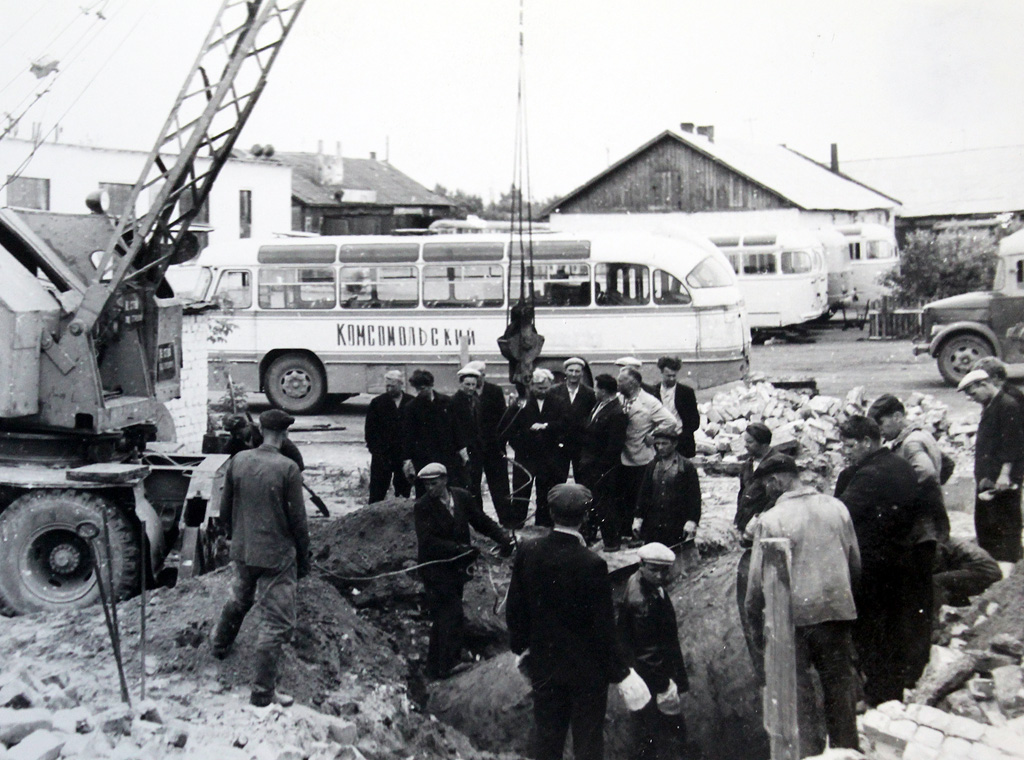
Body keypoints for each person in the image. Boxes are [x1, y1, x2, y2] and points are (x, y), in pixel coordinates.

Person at [507, 483, 647, 760]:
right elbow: (603, 628)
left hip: (544, 663)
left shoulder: (528, 551)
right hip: (587, 672)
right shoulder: (591, 563)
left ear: (549, 512)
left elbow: (515, 607)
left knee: (548, 738)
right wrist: (621, 673)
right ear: (585, 517)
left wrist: (521, 648)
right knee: (587, 741)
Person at [746, 455, 861, 756]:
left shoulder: (771, 519)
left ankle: (810, 755)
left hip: (794, 621)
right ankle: (847, 752)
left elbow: (757, 584)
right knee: (840, 695)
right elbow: (855, 564)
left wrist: (756, 626)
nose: (767, 490)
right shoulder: (837, 507)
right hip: (836, 614)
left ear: (777, 481)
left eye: (767, 484)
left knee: (800, 701)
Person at [211, 409, 310, 707]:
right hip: (276, 556)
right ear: (284, 434)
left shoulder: (239, 460)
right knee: (276, 623)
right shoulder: (288, 468)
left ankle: (219, 645)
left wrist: (234, 536)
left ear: (261, 429)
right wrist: (304, 557)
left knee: (239, 599)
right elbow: (299, 522)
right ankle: (263, 692)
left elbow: (225, 509)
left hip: (243, 550)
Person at [835, 415, 919, 706]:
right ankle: (892, 695)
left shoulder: (868, 475)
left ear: (867, 442)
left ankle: (878, 697)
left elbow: (841, 514)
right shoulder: (901, 464)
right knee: (894, 631)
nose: (844, 451)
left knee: (873, 634)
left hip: (874, 568)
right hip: (901, 561)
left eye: (848, 446)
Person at [867, 393, 950, 686]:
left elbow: (926, 473)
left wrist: (904, 501)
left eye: (882, 422)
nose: (881, 429)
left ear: (898, 416)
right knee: (920, 600)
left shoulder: (910, 443)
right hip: (928, 527)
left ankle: (914, 668)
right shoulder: (922, 436)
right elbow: (946, 466)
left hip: (919, 533)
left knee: (915, 603)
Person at [413, 463, 514, 679]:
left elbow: (481, 521)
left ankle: (434, 667)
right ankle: (449, 664)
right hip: (434, 569)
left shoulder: (462, 497)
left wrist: (502, 537)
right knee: (451, 613)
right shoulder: (422, 506)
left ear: (445, 480)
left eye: (434, 483)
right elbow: (428, 541)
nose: (430, 488)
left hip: (456, 569)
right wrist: (460, 549)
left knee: (443, 616)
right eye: (426, 485)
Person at [617, 542, 690, 760]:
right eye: (654, 569)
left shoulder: (641, 582)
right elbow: (648, 653)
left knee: (647, 727)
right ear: (642, 565)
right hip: (650, 676)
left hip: (643, 672)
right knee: (663, 729)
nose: (660, 575)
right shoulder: (642, 602)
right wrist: (664, 685)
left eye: (664, 570)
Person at [734, 422, 788, 668]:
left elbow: (778, 497)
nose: (745, 446)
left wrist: (758, 520)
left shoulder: (776, 463)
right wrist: (739, 520)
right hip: (749, 526)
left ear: (764, 443)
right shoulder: (748, 463)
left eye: (750, 442)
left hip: (765, 527)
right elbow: (743, 493)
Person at [959, 368, 1024, 562]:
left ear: (985, 384)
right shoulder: (991, 404)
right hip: (988, 477)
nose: (972, 398)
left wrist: (1005, 474)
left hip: (1000, 479)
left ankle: (1007, 561)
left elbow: (1012, 443)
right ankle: (992, 561)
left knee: (1004, 521)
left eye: (973, 393)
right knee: (987, 522)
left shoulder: (1007, 405)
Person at [615, 367, 678, 549]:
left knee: (640, 497)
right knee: (625, 496)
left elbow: (670, 422)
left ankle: (640, 534)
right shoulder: (620, 399)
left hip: (641, 457)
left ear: (633, 383)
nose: (618, 384)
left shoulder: (649, 402)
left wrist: (654, 435)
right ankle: (626, 531)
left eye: (621, 381)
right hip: (622, 455)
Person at [501, 368, 569, 527]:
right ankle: (517, 523)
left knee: (544, 491)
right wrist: (519, 445)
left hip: (548, 455)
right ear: (531, 386)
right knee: (521, 489)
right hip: (525, 455)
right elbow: (509, 429)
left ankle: (543, 523)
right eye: (539, 388)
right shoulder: (520, 403)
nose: (543, 391)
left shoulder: (559, 402)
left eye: (546, 388)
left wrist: (546, 426)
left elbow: (565, 424)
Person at [578, 374, 629, 546]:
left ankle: (611, 541)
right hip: (591, 464)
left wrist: (601, 468)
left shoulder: (616, 412)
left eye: (597, 387)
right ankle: (591, 536)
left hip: (602, 468)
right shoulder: (600, 405)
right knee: (593, 503)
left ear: (604, 390)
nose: (594, 391)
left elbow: (614, 446)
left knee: (605, 504)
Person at [633, 426, 701, 548]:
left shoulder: (686, 467)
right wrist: (638, 518)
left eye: (664, 444)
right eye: (657, 444)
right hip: (654, 524)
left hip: (676, 524)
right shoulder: (652, 466)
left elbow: (694, 497)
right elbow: (644, 493)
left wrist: (692, 520)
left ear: (674, 444)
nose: (660, 447)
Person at [402, 369, 466, 496]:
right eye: (417, 389)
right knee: (425, 493)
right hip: (423, 458)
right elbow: (407, 435)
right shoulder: (411, 407)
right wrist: (407, 460)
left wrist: (462, 450)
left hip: (447, 456)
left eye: (422, 388)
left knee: (448, 490)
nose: (419, 392)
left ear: (431, 385)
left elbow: (456, 428)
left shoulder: (447, 402)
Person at [465, 360, 513, 526]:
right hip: (473, 449)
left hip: (494, 447)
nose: (476, 380)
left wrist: (501, 443)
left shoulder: (494, 391)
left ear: (484, 375)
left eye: (479, 376)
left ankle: (506, 522)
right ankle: (478, 522)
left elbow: (504, 419)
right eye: (471, 376)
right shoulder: (465, 393)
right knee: (473, 486)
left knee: (499, 486)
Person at [364, 371, 413, 503]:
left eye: (392, 386)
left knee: (403, 493)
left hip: (403, 456)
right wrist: (376, 451)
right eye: (387, 386)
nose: (389, 389)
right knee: (376, 492)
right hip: (382, 455)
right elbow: (370, 431)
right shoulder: (377, 403)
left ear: (401, 384)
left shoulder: (411, 402)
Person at [550, 357, 597, 483]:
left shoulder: (589, 393)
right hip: (559, 443)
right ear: (565, 372)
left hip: (580, 444)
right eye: (571, 371)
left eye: (577, 371)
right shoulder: (554, 391)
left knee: (583, 479)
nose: (573, 374)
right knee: (557, 479)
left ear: (582, 373)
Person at [932, 537, 1002, 610]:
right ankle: (960, 609)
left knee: (935, 581)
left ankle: (934, 614)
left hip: (983, 571)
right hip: (983, 571)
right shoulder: (941, 539)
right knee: (944, 581)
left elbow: (937, 565)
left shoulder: (935, 544)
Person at [451, 366, 486, 509]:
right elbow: (455, 428)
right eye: (467, 384)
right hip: (462, 450)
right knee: (465, 484)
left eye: (473, 384)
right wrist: (462, 450)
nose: (471, 388)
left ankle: (478, 514)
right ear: (461, 384)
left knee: (476, 484)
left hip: (476, 449)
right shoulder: (454, 402)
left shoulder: (476, 401)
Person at [654, 356, 701, 459]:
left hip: (682, 443)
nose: (672, 379)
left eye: (674, 376)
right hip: (658, 443)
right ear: (661, 373)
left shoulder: (686, 392)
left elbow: (695, 421)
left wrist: (683, 435)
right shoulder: (654, 392)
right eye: (668, 376)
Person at [223, 412, 305, 470]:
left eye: (239, 433)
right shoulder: (235, 440)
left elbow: (293, 454)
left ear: (247, 426)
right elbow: (225, 457)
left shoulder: (265, 436)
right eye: (233, 433)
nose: (237, 436)